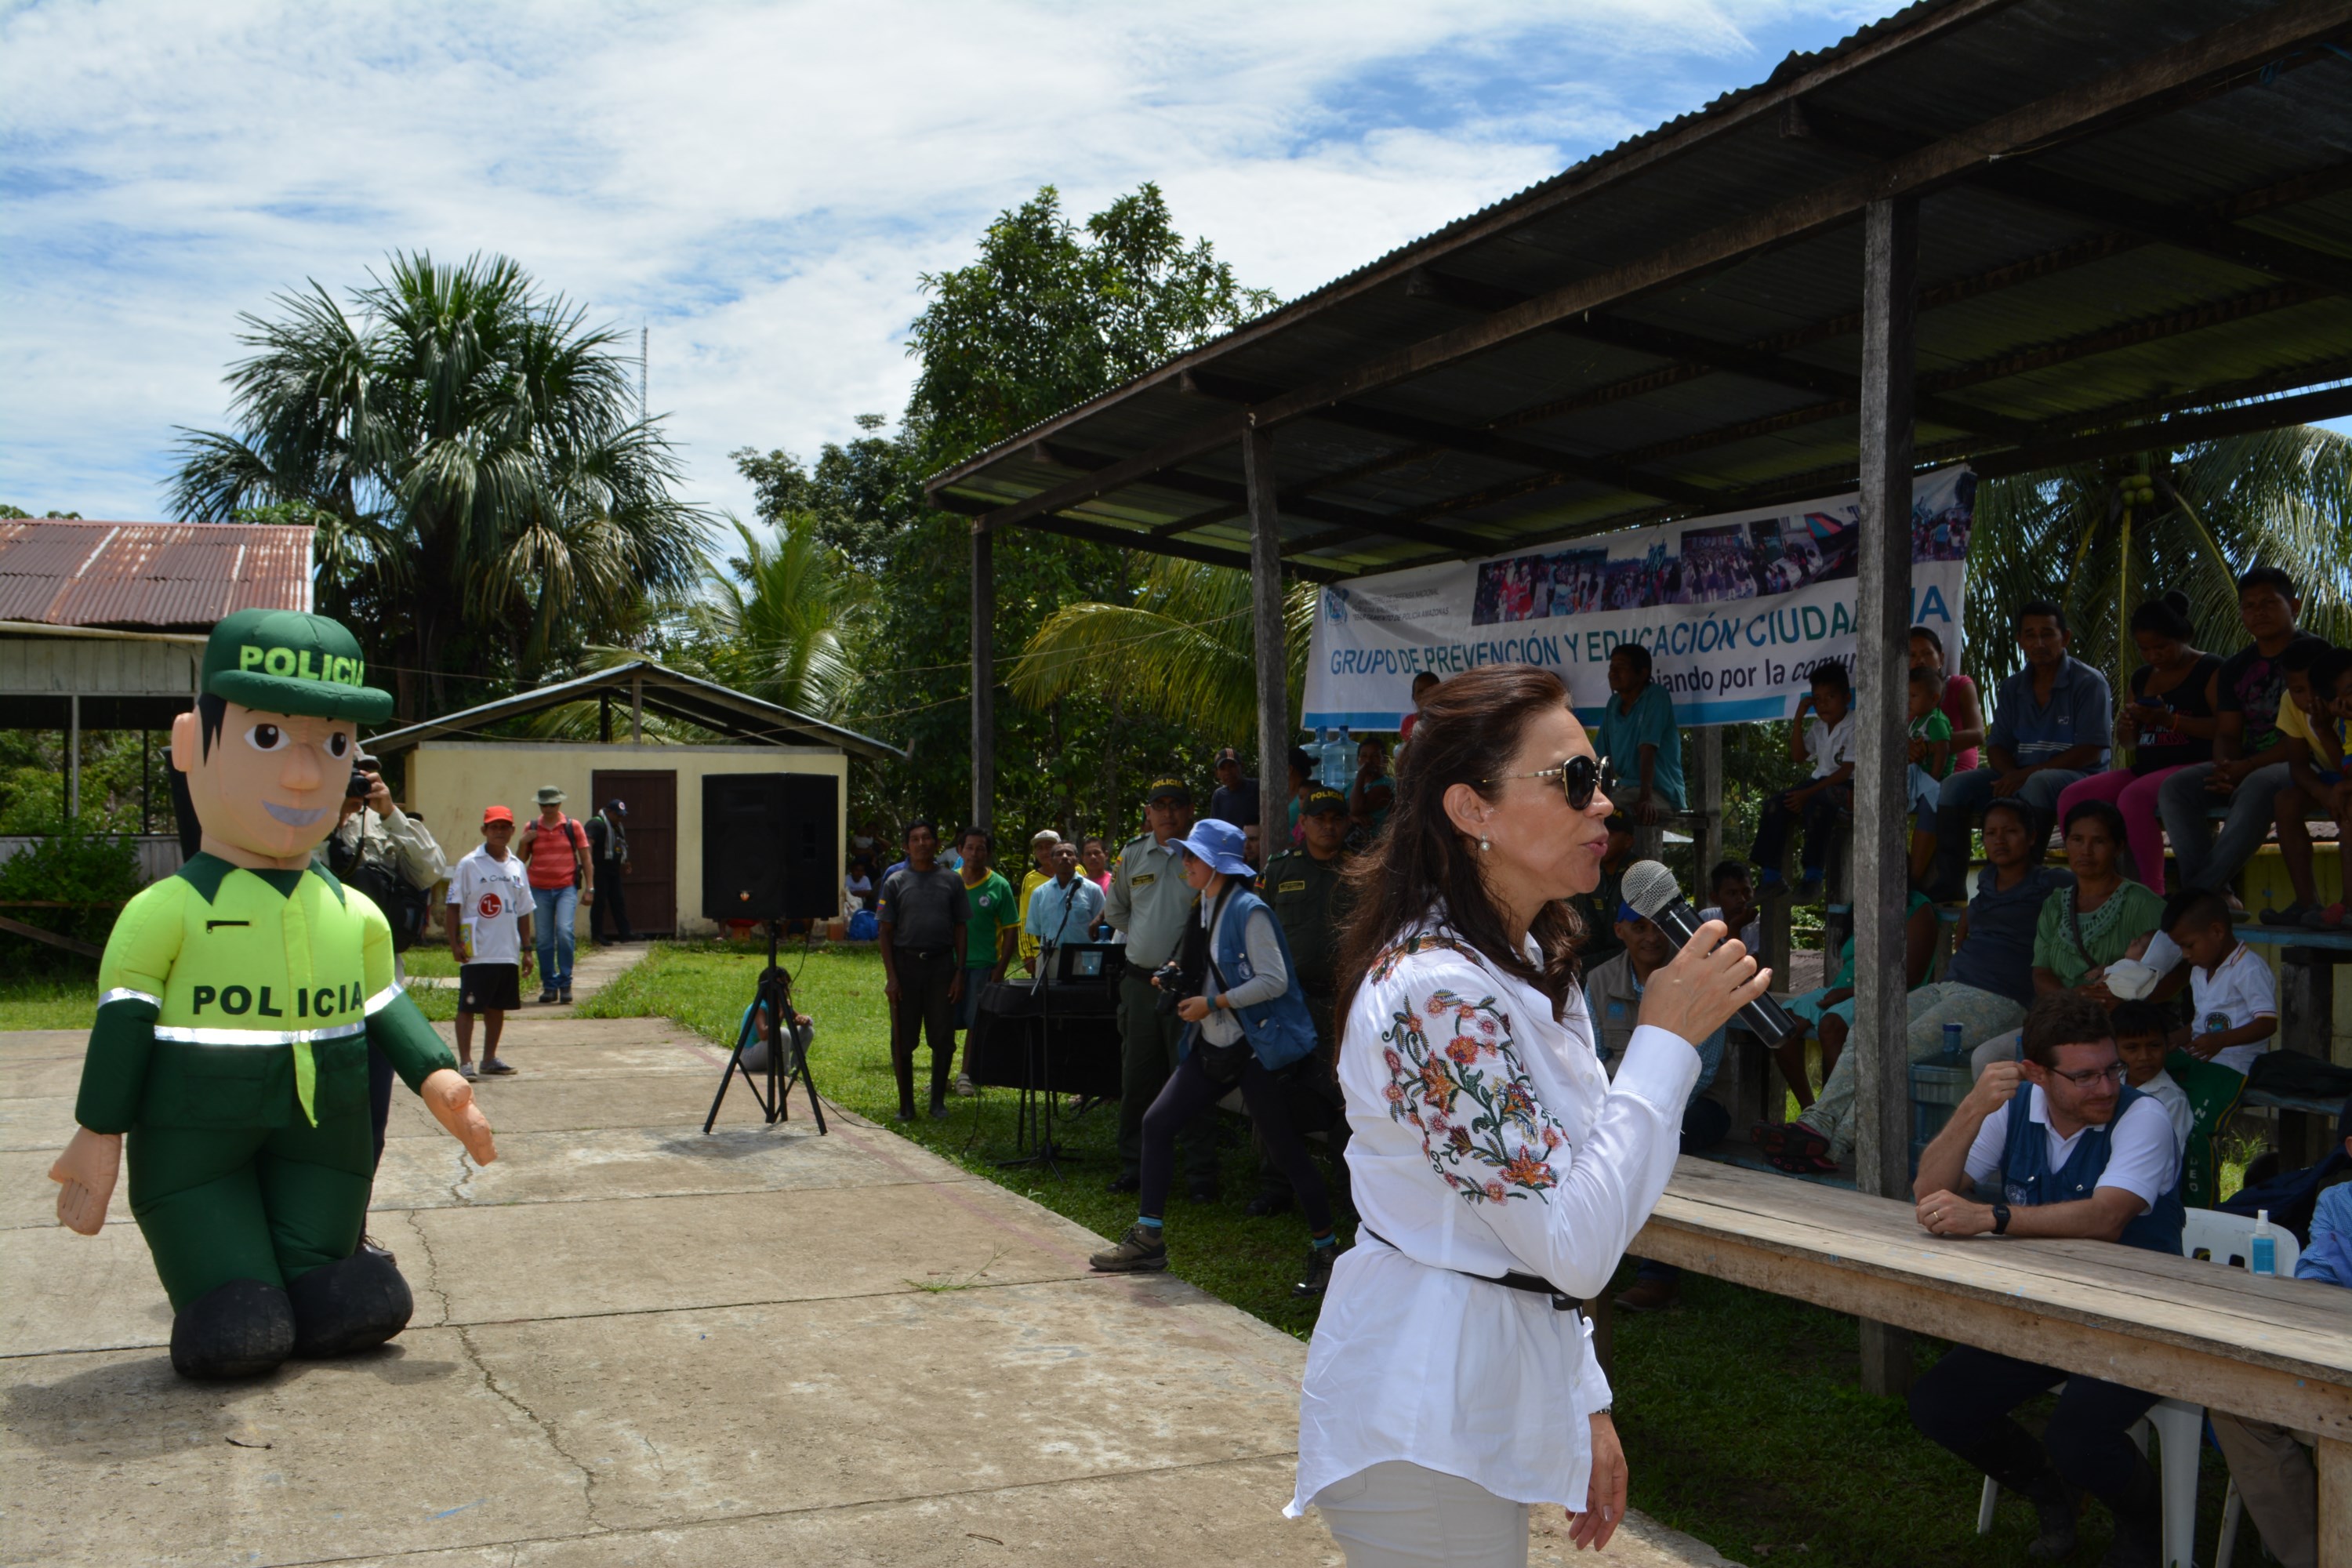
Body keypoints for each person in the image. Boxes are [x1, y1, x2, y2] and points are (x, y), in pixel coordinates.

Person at [1290, 664, 1768, 1562]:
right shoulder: (1437, 998)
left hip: (1482, 1387)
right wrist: (1665, 1044)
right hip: (1423, 1410)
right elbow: (1576, 1246)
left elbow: (1578, 1201)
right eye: (1574, 781)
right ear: (1471, 809)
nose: (1605, 806)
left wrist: (1581, 1396)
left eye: (1600, 777)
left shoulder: (1524, 965)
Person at [47, 608, 492, 1381]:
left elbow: (384, 1004)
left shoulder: (353, 913)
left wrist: (439, 1075)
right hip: (195, 1147)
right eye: (265, 736)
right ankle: (225, 1280)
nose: (302, 772)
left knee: (346, 1299)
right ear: (193, 744)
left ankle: (318, 1265)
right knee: (238, 1321)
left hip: (324, 1140)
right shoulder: (165, 911)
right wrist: (98, 1131)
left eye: (334, 743)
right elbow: (124, 1023)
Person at [1907, 992, 2184, 1566]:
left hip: (2143, 1319)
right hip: (2047, 1312)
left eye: (2112, 1069)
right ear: (2036, 1073)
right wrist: (1970, 1109)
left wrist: (1994, 1217)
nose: (2106, 1087)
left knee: (2078, 1436)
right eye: (2084, 1077)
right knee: (1939, 1405)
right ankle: (2050, 1492)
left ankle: (2143, 1523)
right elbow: (1929, 1193)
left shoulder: (2145, 1115)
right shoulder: (2013, 1109)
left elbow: (2107, 1217)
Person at [1088, 818, 1341, 1293]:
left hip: (1253, 1049)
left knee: (1285, 1150)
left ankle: (1327, 1254)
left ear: (1218, 865)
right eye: (1186, 855)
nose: (1184, 863)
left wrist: (1213, 1003)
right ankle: (1149, 1239)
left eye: (1193, 857)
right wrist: (1175, 974)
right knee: (1157, 1124)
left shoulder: (1250, 910)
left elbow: (1275, 981)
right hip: (1211, 1044)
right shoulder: (1204, 905)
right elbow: (1203, 965)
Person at [1760, 797, 2067, 1171]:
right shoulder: (1986, 881)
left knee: (1900, 1048)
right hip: (1951, 985)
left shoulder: (2051, 884)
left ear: (2033, 837)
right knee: (1867, 1030)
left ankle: (1832, 1148)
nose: (1999, 841)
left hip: (2000, 997)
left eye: (2011, 832)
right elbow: (1968, 928)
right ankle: (1816, 1124)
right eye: (1990, 833)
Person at [2209, 1104, 2351, 1568]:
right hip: (2339, 1360)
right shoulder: (2339, 1202)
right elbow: (2315, 1280)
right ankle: (2314, 1556)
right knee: (2237, 1405)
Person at [1585, 903, 1731, 1313]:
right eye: (1638, 926)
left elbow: (1704, 1071)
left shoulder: (1700, 977)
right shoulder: (1598, 981)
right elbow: (1592, 1057)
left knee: (1662, 1138)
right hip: (1619, 1102)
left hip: (1696, 1106)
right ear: (1619, 930)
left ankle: (1658, 1276)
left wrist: (1646, 1109)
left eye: (1659, 927)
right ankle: (1593, 1248)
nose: (1651, 937)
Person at [1925, 602, 2112, 902]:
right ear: (2020, 641)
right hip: (2022, 775)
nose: (2039, 643)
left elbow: (2091, 751)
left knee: (2039, 784)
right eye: (2030, 635)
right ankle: (1951, 883)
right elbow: (1997, 743)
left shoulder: (2089, 682)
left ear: (2064, 638)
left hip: (2079, 778)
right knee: (1953, 786)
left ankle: (2023, 881)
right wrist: (2012, 774)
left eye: (2047, 634)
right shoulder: (2013, 687)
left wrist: (2024, 775)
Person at [318, 752, 447, 1169]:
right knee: (313, 1124)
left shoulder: (384, 823)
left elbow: (431, 870)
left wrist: (389, 811)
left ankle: (357, 1230)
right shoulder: (296, 821)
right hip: (314, 995)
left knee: (372, 1121)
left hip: (375, 993)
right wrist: (329, 817)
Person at [2052, 593, 2220, 893]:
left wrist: (2171, 721)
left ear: (2182, 636)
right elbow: (2128, 744)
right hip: (2148, 767)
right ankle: (2095, 880)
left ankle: (2150, 891)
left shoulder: (2209, 668)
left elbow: (2225, 728)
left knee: (2133, 798)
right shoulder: (2143, 677)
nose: (2155, 656)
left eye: (2162, 647)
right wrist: (2129, 725)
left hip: (2195, 765)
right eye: (2146, 649)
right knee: (2072, 797)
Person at [2156, 566, 2303, 895]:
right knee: (2176, 788)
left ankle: (2196, 895)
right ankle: (2216, 893)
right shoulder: (2235, 667)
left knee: (2258, 784)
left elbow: (2309, 737)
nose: (2257, 612)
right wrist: (2225, 768)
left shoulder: (2315, 656)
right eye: (2249, 605)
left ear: (2294, 606)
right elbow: (2227, 733)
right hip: (2246, 764)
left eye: (2268, 602)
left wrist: (2247, 768)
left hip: (2303, 762)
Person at [1104, 779, 1217, 1198]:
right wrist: (1150, 942)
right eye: (1159, 805)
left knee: (1192, 1078)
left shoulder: (1205, 858)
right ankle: (1135, 1166)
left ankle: (1200, 1174)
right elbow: (1116, 912)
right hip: (1139, 984)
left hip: (1190, 988)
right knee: (1137, 1078)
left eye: (1177, 805)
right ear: (1147, 812)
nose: (1168, 812)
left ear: (1190, 811)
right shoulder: (1133, 855)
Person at [1247, 784, 1354, 1218]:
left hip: (1347, 1005)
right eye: (1319, 819)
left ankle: (1351, 1193)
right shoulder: (1277, 870)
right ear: (1303, 824)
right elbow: (1256, 930)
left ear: (1346, 823)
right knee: (1274, 1093)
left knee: (1350, 1096)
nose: (1328, 826)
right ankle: (1276, 1186)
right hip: (1289, 1005)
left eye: (1336, 818)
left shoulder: (1365, 869)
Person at [1773, 890, 1937, 1118]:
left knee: (1831, 1025)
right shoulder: (1863, 900)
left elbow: (1912, 976)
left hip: (1891, 994)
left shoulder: (1919, 908)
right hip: (1846, 988)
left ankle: (1837, 1116)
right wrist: (1845, 991)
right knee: (1781, 1023)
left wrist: (1851, 993)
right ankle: (1810, 1110)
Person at [876, 822, 969, 1121]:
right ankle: (906, 1105)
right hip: (906, 966)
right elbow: (885, 931)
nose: (921, 843)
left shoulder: (951, 881)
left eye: (927, 838)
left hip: (942, 966)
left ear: (936, 843)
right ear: (906, 846)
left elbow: (961, 928)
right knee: (903, 1038)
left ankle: (937, 1102)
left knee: (942, 1036)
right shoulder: (895, 881)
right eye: (915, 839)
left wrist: (959, 972)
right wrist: (891, 976)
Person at [2029, 800, 2165, 1002]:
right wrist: (2074, 998)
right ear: (2066, 844)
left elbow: (2174, 973)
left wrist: (2120, 1004)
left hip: (2127, 1025)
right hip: (2068, 1017)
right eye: (2077, 839)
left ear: (2118, 847)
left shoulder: (2142, 904)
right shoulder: (2055, 905)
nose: (2086, 850)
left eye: (2099, 841)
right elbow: (2041, 973)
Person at [1751, 661, 1854, 898]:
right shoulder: (1819, 726)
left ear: (1846, 698)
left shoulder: (1855, 723)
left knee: (1817, 803)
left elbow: (1846, 770)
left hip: (1847, 784)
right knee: (1775, 805)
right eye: (1817, 699)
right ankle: (1771, 876)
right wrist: (1798, 718)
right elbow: (1798, 756)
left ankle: (1813, 877)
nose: (1823, 703)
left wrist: (1807, 794)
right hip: (1820, 782)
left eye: (1830, 696)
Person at [448, 806, 535, 1080]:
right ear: (484, 830)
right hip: (478, 951)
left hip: (506, 951)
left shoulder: (517, 866)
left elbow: (523, 911)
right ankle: (465, 1062)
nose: (499, 831)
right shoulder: (469, 864)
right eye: (493, 827)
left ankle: (489, 1058)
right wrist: (455, 944)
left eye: (504, 827)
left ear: (512, 830)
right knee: (469, 1007)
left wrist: (527, 950)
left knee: (497, 1007)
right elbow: (453, 906)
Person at [2270, 637, 2349, 925]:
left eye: (2315, 689)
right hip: (2331, 778)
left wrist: (2323, 728)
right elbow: (2299, 766)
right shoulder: (2291, 704)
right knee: (2285, 802)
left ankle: (2347, 906)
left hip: (2347, 776)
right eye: (2298, 690)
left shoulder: (2346, 701)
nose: (2308, 698)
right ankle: (2307, 903)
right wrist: (2323, 792)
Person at [2163, 889, 2277, 1076]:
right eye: (2180, 947)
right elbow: (2202, 1023)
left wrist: (2220, 1040)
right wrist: (2175, 1038)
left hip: (2238, 1064)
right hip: (2203, 1057)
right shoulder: (2199, 970)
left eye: (2189, 945)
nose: (2185, 954)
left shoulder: (2249, 969)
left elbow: (2267, 1023)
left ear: (2217, 931)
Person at [951, 827, 1018, 1097]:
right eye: (969, 847)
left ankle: (965, 1075)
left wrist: (1000, 968)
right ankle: (940, 1075)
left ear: (988, 853)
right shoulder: (949, 881)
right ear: (960, 850)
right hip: (948, 966)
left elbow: (1012, 928)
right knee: (944, 1024)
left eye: (981, 848)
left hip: (982, 966)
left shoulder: (999, 885)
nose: (974, 853)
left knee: (974, 1023)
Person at [1595, 643, 1685, 827]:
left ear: (1643, 674)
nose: (1613, 673)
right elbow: (1600, 758)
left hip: (1659, 792)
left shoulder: (1655, 696)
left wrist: (1646, 798)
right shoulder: (1614, 703)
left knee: (1612, 814)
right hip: (1626, 790)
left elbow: (1648, 749)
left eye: (1621, 668)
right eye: (1612, 667)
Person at [518, 786, 592, 1005]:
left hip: (565, 887)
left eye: (552, 804)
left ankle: (565, 982)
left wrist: (590, 888)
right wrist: (523, 842)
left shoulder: (572, 826)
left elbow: (586, 859)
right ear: (539, 805)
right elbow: (519, 861)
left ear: (559, 804)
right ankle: (549, 985)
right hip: (539, 888)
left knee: (564, 931)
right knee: (543, 939)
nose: (548, 808)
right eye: (544, 804)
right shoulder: (531, 827)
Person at [2109, 998, 2193, 1158]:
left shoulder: (2171, 1099)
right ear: (2113, 1048)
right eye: (2132, 1048)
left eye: (2154, 1046)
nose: (2144, 1057)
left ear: (2167, 1044)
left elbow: (2168, 1158)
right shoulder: (2110, 1083)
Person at [1903, 665, 1954, 885]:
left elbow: (1943, 750)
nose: (1909, 701)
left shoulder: (1936, 721)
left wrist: (1934, 777)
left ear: (1933, 699)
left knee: (1929, 805)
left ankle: (1915, 872)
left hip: (1934, 780)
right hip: (1917, 776)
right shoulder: (1915, 721)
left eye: (1913, 695)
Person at [1911, 623, 1984, 773]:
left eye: (1927, 653)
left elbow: (1978, 735)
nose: (1920, 660)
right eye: (1912, 655)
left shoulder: (1960, 685)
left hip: (1956, 776)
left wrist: (1930, 747)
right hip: (1913, 779)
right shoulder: (1896, 697)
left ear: (1941, 659)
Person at [1022, 840, 1105, 971]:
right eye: (1059, 854)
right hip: (1050, 958)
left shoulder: (1093, 890)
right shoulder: (1039, 893)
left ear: (1077, 861)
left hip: (1083, 958)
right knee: (1049, 992)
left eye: (1069, 853)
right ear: (1052, 860)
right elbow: (1037, 931)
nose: (1065, 857)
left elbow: (1102, 926)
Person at [583, 799, 633, 944]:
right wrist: (589, 864)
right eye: (618, 815)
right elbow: (588, 843)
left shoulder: (616, 826)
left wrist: (626, 861)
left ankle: (625, 933)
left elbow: (621, 845)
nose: (620, 818)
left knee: (618, 901)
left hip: (613, 870)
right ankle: (597, 935)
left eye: (622, 815)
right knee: (599, 903)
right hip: (599, 870)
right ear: (609, 812)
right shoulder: (596, 824)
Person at [1013, 828, 1061, 969]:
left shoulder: (1078, 871)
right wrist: (1027, 953)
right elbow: (1024, 917)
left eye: (1049, 847)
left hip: (1074, 945)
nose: (1045, 852)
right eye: (1040, 848)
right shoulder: (1030, 879)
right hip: (1041, 949)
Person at [1696, 860, 1760, 955]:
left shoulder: (1759, 927)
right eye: (1732, 893)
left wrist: (1735, 927)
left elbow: (1740, 969)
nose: (1742, 899)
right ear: (1715, 898)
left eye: (1746, 892)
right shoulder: (1706, 918)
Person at [1348, 735, 1395, 840]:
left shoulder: (1386, 786)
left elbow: (1356, 808)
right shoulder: (1351, 785)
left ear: (1385, 761)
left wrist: (1361, 774)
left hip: (1376, 845)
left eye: (1375, 756)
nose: (1368, 761)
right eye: (1364, 756)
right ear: (1358, 760)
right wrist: (1349, 818)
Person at [1207, 746, 1261, 829]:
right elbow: (1216, 828)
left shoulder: (1257, 787)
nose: (1228, 772)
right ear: (1217, 773)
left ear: (1242, 766)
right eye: (1223, 768)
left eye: (1232, 766)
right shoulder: (1219, 796)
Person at [1397, 670, 1440, 742]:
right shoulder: (1408, 722)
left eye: (1431, 689)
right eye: (1421, 691)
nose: (1426, 694)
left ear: (1440, 693)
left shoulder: (1449, 719)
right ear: (1414, 697)